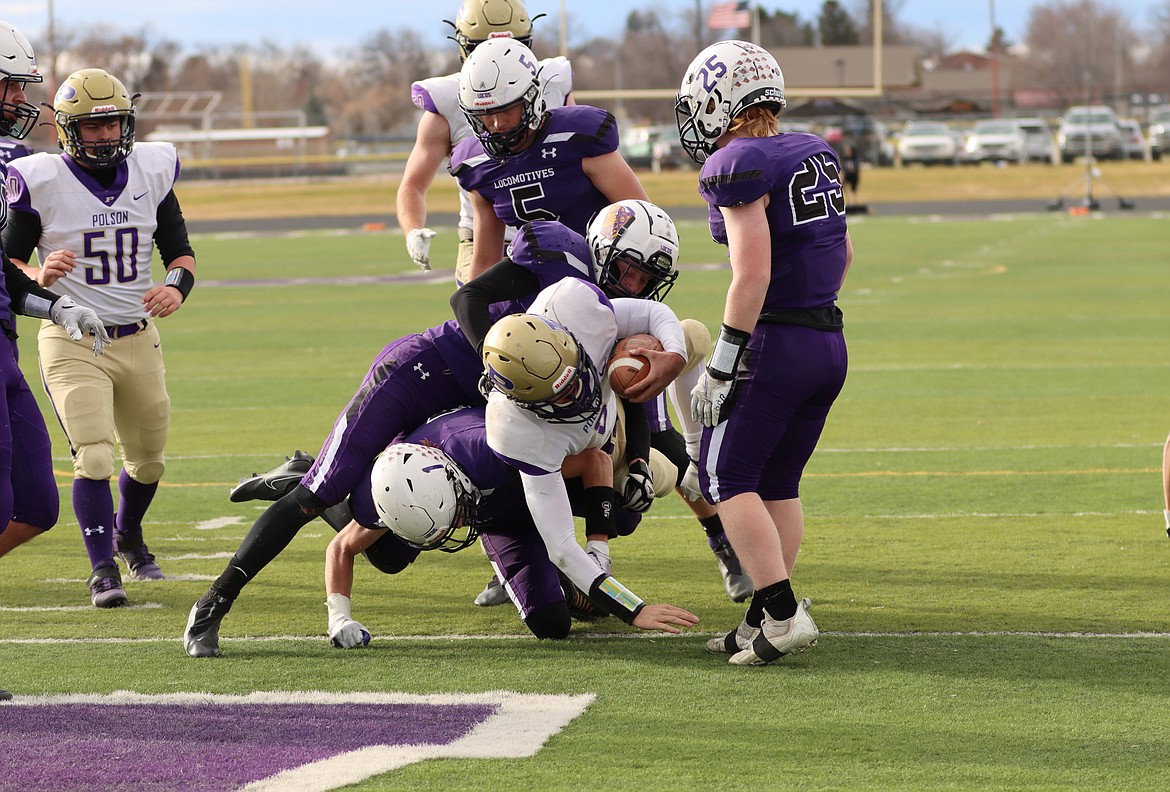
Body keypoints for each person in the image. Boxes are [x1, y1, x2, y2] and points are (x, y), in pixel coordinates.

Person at [452, 199, 752, 603]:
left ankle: (715, 532)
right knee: (510, 465)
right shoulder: (560, 272)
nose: (633, 285)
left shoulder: (613, 313)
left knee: (687, 342)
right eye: (629, 271)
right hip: (528, 400)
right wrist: (499, 368)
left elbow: (639, 385)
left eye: (646, 279)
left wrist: (647, 462)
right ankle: (522, 562)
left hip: (594, 416)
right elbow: (468, 297)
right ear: (602, 248)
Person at [675, 40, 853, 665]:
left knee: (725, 477)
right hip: (826, 339)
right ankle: (760, 619)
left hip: (774, 343)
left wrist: (724, 360)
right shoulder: (811, 150)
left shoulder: (739, 162)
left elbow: (750, 274)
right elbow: (844, 254)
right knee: (777, 481)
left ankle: (780, 611)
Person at [4, 67, 197, 607]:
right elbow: (9, 261)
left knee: (149, 459)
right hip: (71, 339)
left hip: (138, 335)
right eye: (93, 127)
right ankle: (102, 569)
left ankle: (128, 533)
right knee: (92, 456)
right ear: (67, 130)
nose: (107, 135)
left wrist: (176, 289)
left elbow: (179, 252)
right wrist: (41, 276)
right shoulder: (38, 178)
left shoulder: (153, 170)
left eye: (113, 123)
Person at [319, 404, 693, 645]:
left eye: (458, 515)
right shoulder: (389, 492)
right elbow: (341, 547)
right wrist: (339, 618)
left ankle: (582, 576)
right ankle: (307, 478)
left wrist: (599, 550)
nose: (458, 527)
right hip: (501, 515)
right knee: (551, 625)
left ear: (456, 483)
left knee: (623, 514)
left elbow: (594, 460)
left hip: (530, 480)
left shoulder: (497, 451)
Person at [475, 276, 697, 630]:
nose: (577, 396)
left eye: (575, 377)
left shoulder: (574, 307)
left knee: (693, 334)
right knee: (625, 511)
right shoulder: (514, 428)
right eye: (559, 396)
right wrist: (634, 609)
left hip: (613, 431)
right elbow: (561, 546)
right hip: (576, 459)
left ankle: (694, 458)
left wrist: (674, 355)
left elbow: (653, 312)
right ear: (524, 402)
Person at [0, 26, 110, 565]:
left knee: (36, 506)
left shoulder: (8, 160)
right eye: (10, 86)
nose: (21, 99)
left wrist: (56, 305)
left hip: (5, 343)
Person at [396, 0, 572, 284]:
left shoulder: (552, 85)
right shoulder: (447, 103)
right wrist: (412, 229)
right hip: (483, 237)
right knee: (483, 321)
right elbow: (413, 184)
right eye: (484, 50)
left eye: (511, 48)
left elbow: (582, 158)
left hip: (555, 231)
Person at [451, 37, 648, 281]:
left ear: (531, 97)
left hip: (600, 277)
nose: (496, 123)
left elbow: (644, 218)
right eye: (485, 114)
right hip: (534, 285)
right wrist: (472, 301)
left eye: (505, 110)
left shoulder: (577, 139)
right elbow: (485, 260)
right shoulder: (478, 166)